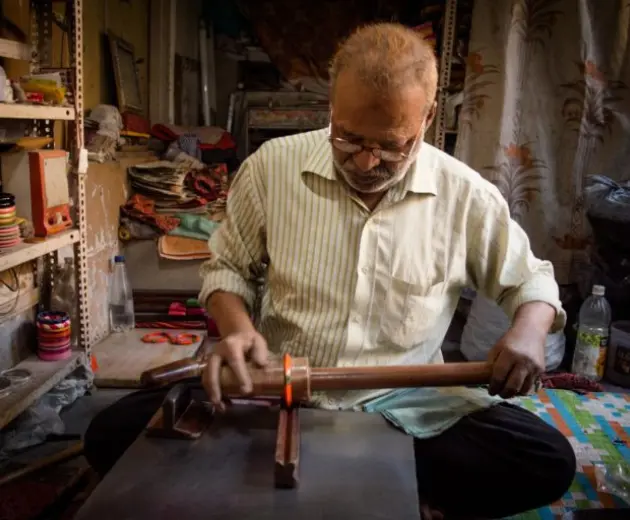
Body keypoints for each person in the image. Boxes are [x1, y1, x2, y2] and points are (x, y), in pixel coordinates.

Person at [85, 23, 576, 519]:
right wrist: (236, 330)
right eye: (349, 138)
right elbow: (227, 269)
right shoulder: (272, 167)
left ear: (427, 118)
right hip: (273, 389)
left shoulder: (464, 194)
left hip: (402, 403)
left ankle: (337, 480)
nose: (365, 162)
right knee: (110, 434)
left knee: (545, 460)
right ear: (331, 109)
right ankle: (382, 486)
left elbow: (531, 281)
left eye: (390, 145)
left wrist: (529, 331)